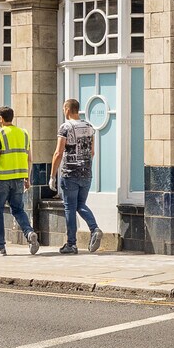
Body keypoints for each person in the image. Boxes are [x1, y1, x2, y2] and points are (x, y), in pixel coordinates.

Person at [48, 97, 102, 254]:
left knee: (70, 207)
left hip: (70, 173)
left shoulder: (65, 127)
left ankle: (71, 244)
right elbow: (91, 152)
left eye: (64, 109)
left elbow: (58, 152)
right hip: (86, 173)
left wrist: (53, 175)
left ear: (67, 109)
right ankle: (94, 228)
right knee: (80, 205)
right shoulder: (89, 126)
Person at [0, 105, 39, 256]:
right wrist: (27, 178)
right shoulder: (24, 133)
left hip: (1, 179)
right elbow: (29, 159)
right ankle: (29, 233)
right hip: (18, 180)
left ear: (1, 118)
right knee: (18, 209)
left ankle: (0, 247)